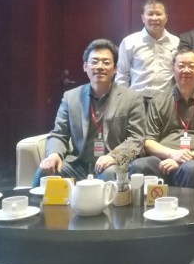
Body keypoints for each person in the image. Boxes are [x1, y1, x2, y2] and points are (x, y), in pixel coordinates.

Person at [33, 39, 145, 185]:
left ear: (115, 69)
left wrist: (114, 156)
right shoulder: (71, 97)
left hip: (112, 164)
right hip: (78, 165)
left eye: (106, 62)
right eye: (95, 62)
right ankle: (34, 201)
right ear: (85, 66)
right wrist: (54, 154)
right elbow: (59, 134)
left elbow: (136, 138)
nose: (100, 66)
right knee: (45, 172)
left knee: (109, 174)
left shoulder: (132, 98)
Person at [130, 50, 194, 189]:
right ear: (172, 70)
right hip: (163, 158)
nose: (186, 70)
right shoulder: (158, 100)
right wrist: (173, 155)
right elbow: (149, 142)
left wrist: (186, 158)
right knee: (138, 166)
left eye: (191, 66)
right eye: (181, 66)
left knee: (190, 168)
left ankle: (188, 205)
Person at [116, 0, 180, 107]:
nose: (154, 18)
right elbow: (122, 74)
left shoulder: (176, 42)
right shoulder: (129, 42)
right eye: (150, 14)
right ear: (142, 18)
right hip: (136, 100)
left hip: (167, 100)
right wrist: (122, 101)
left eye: (158, 14)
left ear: (166, 17)